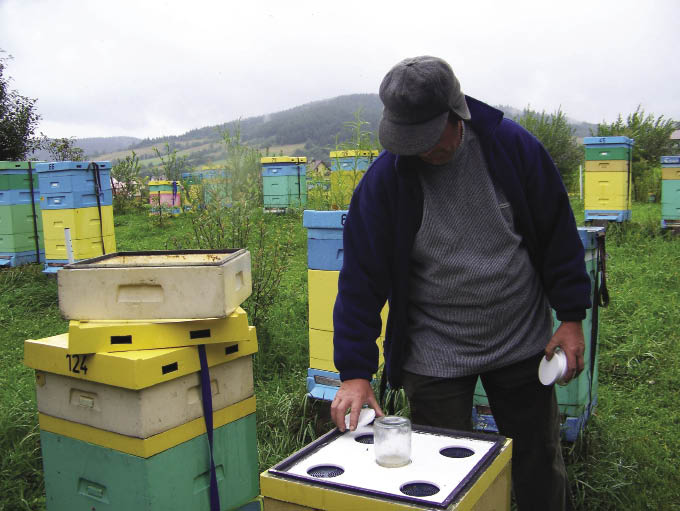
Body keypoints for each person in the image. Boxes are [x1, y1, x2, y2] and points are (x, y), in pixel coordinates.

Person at [329, 56, 590, 511]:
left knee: (537, 461)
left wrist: (570, 318)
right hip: (435, 349)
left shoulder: (512, 150)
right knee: (442, 475)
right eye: (409, 140)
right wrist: (354, 372)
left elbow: (557, 234)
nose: (421, 150)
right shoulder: (384, 183)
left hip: (519, 337)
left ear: (458, 114)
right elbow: (360, 281)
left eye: (430, 138)